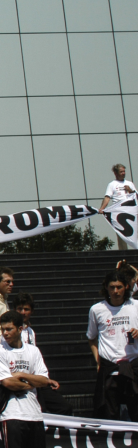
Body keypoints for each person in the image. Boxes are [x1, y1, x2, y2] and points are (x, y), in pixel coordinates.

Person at [0, 310, 57, 448]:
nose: (5, 333)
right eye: (3, 329)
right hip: (11, 414)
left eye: (9, 329)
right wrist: (32, 383)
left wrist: (21, 375)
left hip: (34, 413)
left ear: (20, 329)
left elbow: (44, 380)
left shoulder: (33, 351)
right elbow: (8, 382)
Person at [87, 270, 138, 420]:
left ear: (126, 287)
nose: (116, 291)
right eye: (112, 287)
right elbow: (91, 337)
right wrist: (98, 360)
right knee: (109, 412)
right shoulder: (97, 310)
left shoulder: (135, 306)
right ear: (106, 288)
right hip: (110, 368)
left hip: (133, 366)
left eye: (119, 287)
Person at [12, 293, 73, 416]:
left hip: (36, 379)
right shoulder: (11, 332)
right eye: (20, 309)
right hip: (22, 381)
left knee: (64, 407)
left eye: (26, 309)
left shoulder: (30, 332)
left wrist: (46, 379)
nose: (23, 312)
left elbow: (35, 358)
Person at [101, 164, 136, 250]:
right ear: (116, 173)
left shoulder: (129, 183)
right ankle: (124, 253)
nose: (124, 173)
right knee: (121, 233)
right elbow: (107, 197)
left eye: (124, 171)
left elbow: (136, 195)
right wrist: (102, 208)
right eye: (121, 172)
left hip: (130, 210)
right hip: (119, 212)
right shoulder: (112, 184)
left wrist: (130, 190)